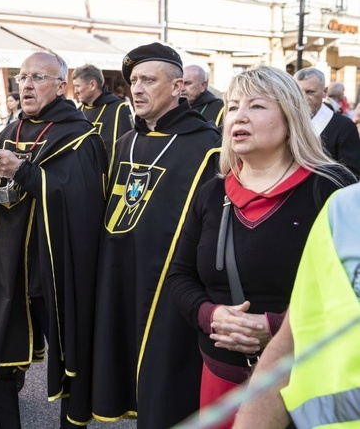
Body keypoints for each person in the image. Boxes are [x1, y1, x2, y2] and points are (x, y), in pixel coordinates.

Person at [166, 65, 355, 428]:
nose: (239, 116)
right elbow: (179, 275)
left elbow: (351, 288)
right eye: (233, 106)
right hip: (219, 380)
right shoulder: (212, 192)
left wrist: (278, 328)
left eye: (256, 106)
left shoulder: (331, 189)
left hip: (303, 383)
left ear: (290, 117)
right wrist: (211, 316)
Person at [0, 52, 107, 427]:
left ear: (61, 86)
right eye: (22, 77)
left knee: (71, 362)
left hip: (52, 270)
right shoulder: (7, 132)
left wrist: (24, 171)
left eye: (38, 77)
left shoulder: (80, 137)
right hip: (6, 270)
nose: (26, 85)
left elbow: (82, 203)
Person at [92, 42, 221, 428]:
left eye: (149, 79)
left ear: (178, 86)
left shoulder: (207, 146)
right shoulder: (126, 142)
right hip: (121, 276)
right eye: (133, 81)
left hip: (171, 288)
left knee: (164, 397)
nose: (137, 88)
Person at [234, 182, 360, 428]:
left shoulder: (324, 185)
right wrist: (209, 314)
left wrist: (269, 324)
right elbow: (292, 342)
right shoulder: (342, 210)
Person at [294, 68, 360, 176]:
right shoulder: (285, 122)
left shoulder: (345, 127)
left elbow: (351, 174)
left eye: (310, 92)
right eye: (298, 92)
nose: (303, 98)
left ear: (325, 92)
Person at [72, 63, 133, 170]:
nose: (75, 91)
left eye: (77, 86)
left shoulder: (119, 108)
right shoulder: (80, 110)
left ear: (92, 85)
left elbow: (127, 149)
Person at [182, 64, 225, 130]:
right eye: (181, 83)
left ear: (203, 85)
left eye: (187, 83)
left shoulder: (220, 108)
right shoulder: (176, 107)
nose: (182, 88)